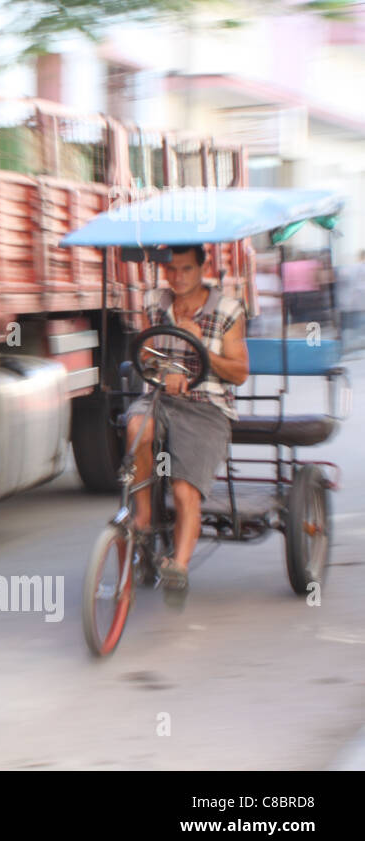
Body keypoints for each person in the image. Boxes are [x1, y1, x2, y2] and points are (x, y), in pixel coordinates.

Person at [124, 244, 250, 607]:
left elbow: (240, 373)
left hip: (206, 406)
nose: (178, 278)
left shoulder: (226, 309)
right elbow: (145, 357)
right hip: (161, 398)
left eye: (186, 270)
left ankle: (178, 567)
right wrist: (161, 367)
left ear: (202, 268)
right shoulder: (155, 303)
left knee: (183, 491)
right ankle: (143, 518)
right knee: (136, 425)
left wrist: (199, 348)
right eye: (172, 270)